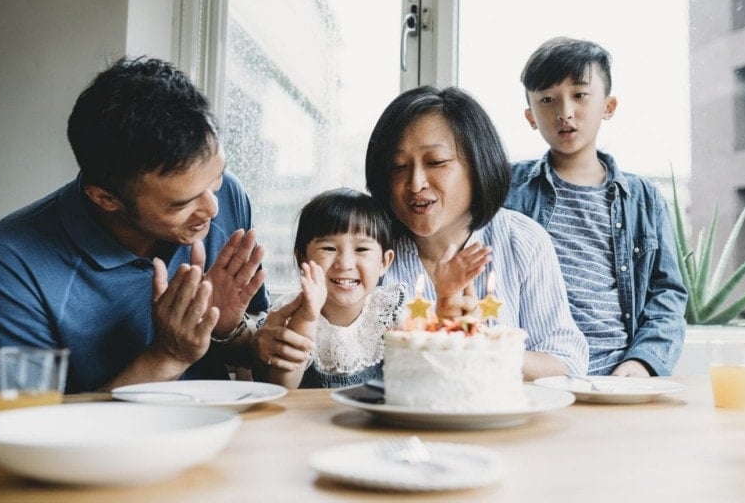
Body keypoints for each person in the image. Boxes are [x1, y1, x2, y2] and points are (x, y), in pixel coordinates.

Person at [0, 57, 269, 393]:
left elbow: (251, 342)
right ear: (106, 199)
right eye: (181, 203)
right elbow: (24, 430)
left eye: (216, 179)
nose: (212, 207)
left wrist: (228, 330)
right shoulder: (9, 264)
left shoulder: (229, 195)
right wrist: (167, 357)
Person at [361, 85, 589, 380]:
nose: (415, 183)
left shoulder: (521, 240)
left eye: (436, 162)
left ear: (478, 163)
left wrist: (482, 346)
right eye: (397, 167)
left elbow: (567, 364)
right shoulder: (366, 248)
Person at [504, 37, 687, 376]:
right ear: (530, 116)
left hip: (618, 376)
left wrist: (644, 361)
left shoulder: (643, 198)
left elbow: (668, 295)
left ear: (609, 106)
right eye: (547, 99)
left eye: (580, 95)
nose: (565, 112)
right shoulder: (508, 189)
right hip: (538, 374)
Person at [261, 188, 406, 388]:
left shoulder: (394, 311)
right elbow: (283, 388)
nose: (345, 264)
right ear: (302, 257)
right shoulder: (286, 314)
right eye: (329, 249)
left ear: (384, 262)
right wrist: (306, 318)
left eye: (361, 249)